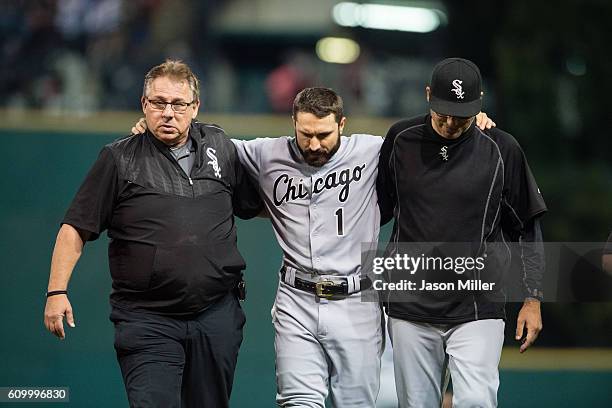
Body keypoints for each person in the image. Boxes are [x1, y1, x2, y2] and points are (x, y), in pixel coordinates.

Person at [131, 86, 495, 407]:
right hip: (297, 298)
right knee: (297, 401)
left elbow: (430, 143)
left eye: (323, 134)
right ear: (293, 123)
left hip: (357, 298)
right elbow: (206, 143)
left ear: (342, 124)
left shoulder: (372, 151)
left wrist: (468, 123)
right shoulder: (266, 154)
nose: (315, 144)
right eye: (306, 134)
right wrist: (152, 132)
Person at [43, 60, 262, 408]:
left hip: (216, 314)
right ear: (144, 105)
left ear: (194, 108)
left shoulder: (219, 144)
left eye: (178, 104)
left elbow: (257, 204)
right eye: (158, 102)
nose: (168, 112)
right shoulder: (119, 158)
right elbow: (76, 226)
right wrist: (57, 290)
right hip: (148, 319)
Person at [377, 57, 546, 407]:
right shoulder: (400, 139)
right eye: (444, 113)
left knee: (476, 401)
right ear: (427, 96)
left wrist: (533, 299)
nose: (452, 122)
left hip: (477, 302)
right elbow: (377, 209)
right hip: (411, 302)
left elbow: (527, 226)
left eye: (462, 114)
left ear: (480, 102)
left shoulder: (502, 148)